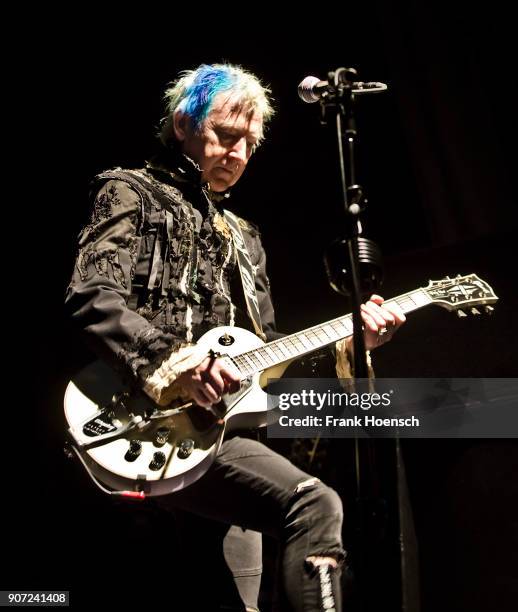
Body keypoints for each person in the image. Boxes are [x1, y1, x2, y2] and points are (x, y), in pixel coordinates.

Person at [65, 63, 405, 611]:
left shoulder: (246, 238)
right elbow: (91, 295)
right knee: (314, 505)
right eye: (226, 136)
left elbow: (266, 354)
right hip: (140, 420)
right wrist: (179, 364)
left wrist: (352, 342)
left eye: (250, 143)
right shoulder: (130, 191)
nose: (239, 155)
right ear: (183, 124)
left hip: (222, 434)